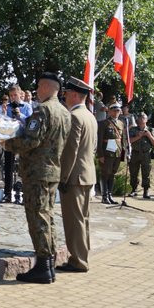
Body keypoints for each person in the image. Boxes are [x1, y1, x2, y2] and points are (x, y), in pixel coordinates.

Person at [2, 72, 71, 284]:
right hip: (52, 172)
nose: (38, 91)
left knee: (37, 217)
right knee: (47, 217)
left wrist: (7, 144)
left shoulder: (43, 110)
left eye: (40, 87)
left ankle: (43, 266)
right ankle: (48, 266)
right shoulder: (64, 112)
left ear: (48, 87)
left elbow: (31, 141)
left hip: (37, 172)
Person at [57, 77, 98, 273]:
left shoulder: (74, 117)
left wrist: (63, 177)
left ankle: (78, 260)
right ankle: (82, 255)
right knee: (83, 219)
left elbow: (70, 151)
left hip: (74, 177)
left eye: (66, 94)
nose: (64, 97)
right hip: (87, 174)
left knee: (74, 221)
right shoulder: (89, 116)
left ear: (74, 95)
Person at [1, 84, 33, 203]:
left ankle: (24, 194)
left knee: (24, 167)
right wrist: (3, 114)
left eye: (15, 95)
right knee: (8, 167)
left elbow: (30, 123)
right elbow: (4, 123)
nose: (13, 97)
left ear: (20, 94)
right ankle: (7, 194)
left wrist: (20, 115)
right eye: (11, 95)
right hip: (10, 140)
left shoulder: (27, 106)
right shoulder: (7, 106)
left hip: (23, 139)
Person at [97, 102, 126, 204]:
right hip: (107, 153)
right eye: (114, 110)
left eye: (118, 110)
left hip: (117, 153)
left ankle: (110, 195)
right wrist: (100, 155)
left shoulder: (121, 123)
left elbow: (122, 140)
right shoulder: (103, 123)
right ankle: (104, 196)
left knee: (112, 174)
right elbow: (99, 140)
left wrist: (124, 153)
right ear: (109, 111)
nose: (116, 112)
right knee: (105, 174)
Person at [128, 112, 154, 199]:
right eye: (140, 118)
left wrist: (148, 135)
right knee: (133, 172)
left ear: (146, 120)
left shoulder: (151, 130)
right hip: (135, 153)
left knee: (146, 172)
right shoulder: (133, 129)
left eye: (143, 118)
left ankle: (146, 191)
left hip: (146, 154)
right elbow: (129, 141)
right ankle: (134, 190)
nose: (141, 119)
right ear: (137, 120)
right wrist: (139, 136)